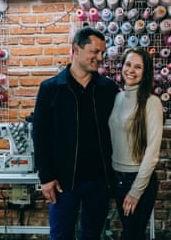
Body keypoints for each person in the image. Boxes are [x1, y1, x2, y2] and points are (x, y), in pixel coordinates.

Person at [32, 26, 119, 240]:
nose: (100, 58)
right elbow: (40, 134)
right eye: (95, 52)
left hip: (99, 180)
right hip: (63, 182)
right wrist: (46, 177)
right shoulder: (51, 88)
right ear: (76, 50)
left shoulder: (108, 89)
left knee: (92, 236)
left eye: (102, 53)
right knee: (61, 236)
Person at [108, 48, 163, 240]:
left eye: (138, 67)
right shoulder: (118, 97)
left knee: (132, 235)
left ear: (145, 72)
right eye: (128, 64)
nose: (131, 70)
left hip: (138, 180)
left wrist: (136, 191)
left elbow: (152, 152)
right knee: (131, 233)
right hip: (118, 179)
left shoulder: (151, 103)